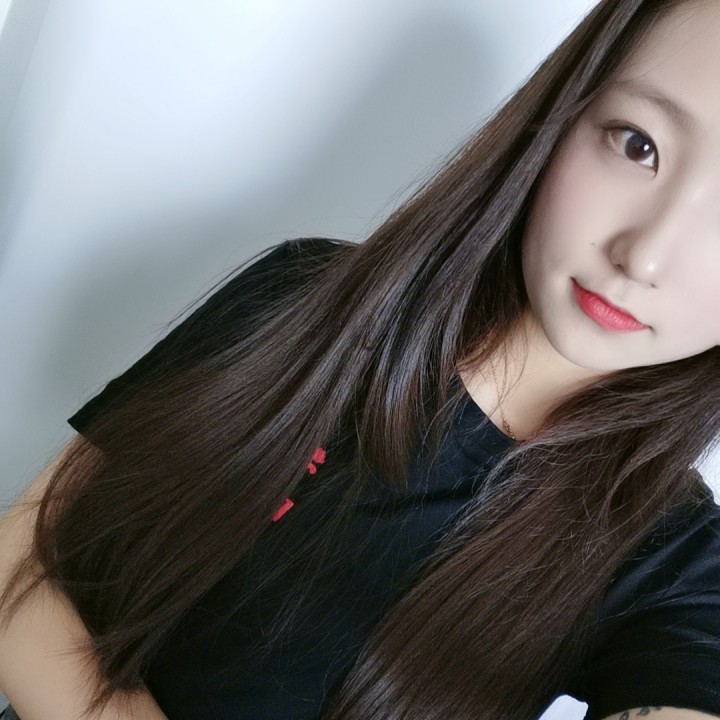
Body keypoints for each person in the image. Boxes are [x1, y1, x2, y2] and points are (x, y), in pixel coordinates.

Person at [1, 0, 719, 718]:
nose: (645, 257)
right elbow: (20, 559)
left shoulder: (677, 561)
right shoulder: (311, 301)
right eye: (637, 145)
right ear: (565, 112)